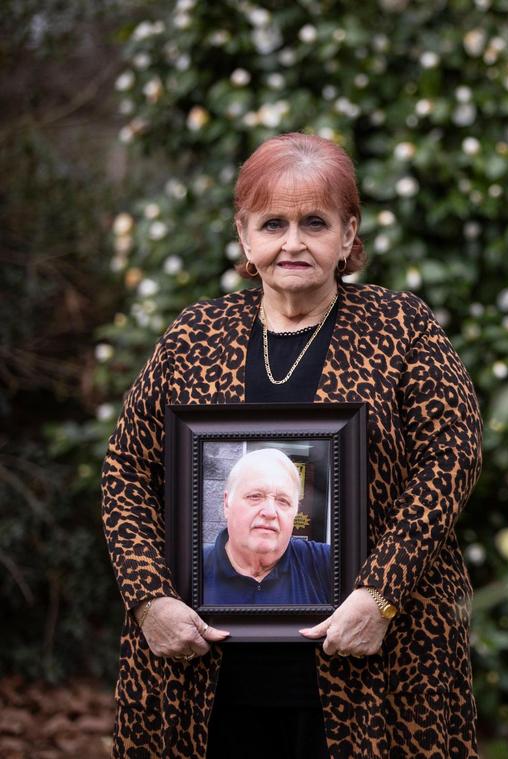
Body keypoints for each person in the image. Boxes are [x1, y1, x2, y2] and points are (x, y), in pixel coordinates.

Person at [101, 132, 483, 758]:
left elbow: (451, 460)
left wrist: (381, 595)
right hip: (204, 671)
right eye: (272, 223)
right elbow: (126, 474)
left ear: (349, 232)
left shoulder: (401, 326)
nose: (293, 242)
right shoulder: (194, 334)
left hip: (375, 663)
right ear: (245, 236)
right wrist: (149, 600)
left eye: (316, 222)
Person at [203, 447, 332, 606]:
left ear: (295, 512)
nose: (270, 512)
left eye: (283, 501)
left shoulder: (324, 564)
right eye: (255, 496)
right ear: (226, 503)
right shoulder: (188, 571)